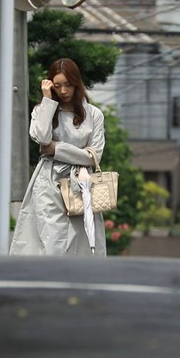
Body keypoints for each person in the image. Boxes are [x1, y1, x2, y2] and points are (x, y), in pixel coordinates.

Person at [10, 58, 107, 256]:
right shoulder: (42, 111)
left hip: (82, 183)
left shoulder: (94, 114)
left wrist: (57, 149)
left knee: (82, 242)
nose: (63, 91)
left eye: (68, 85)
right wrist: (48, 100)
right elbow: (42, 138)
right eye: (57, 86)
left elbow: (93, 156)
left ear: (77, 83)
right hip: (49, 181)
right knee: (51, 240)